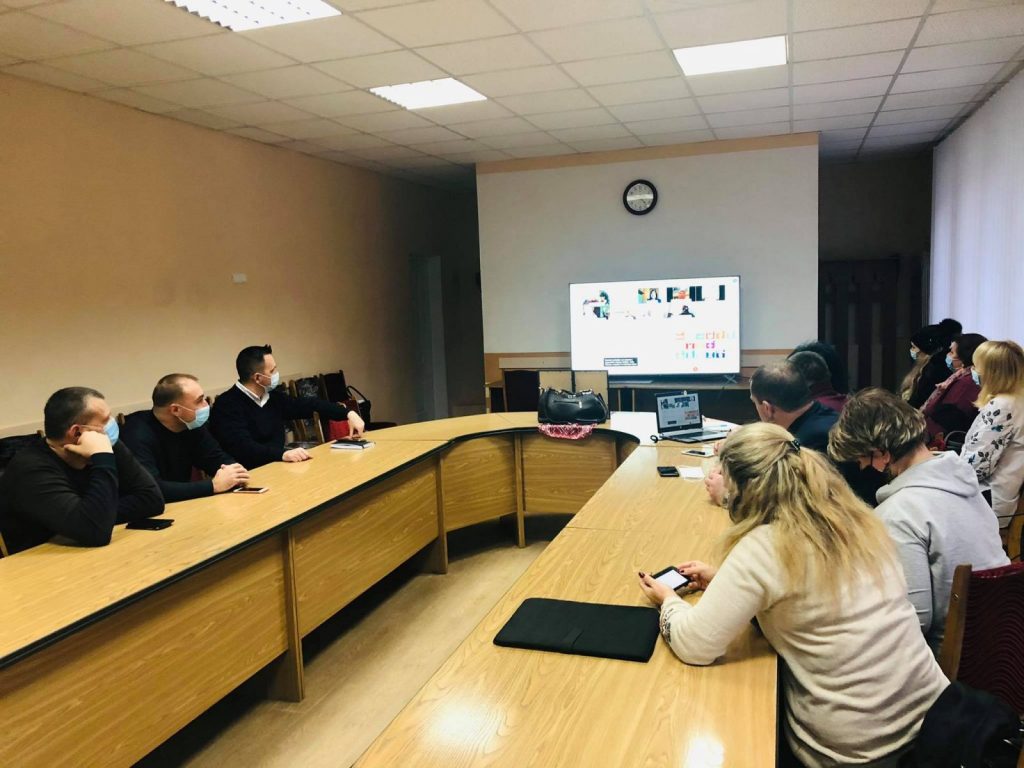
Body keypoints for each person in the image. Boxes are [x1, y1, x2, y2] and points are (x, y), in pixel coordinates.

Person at [638, 423, 947, 768]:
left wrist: (669, 600)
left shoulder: (766, 545)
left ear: (741, 488)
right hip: (936, 723)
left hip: (855, 751)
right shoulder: (859, 522)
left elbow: (695, 645)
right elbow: (807, 596)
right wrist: (726, 581)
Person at [828, 388, 1007, 652]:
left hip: (947, 659)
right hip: (1003, 646)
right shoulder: (967, 486)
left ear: (882, 453)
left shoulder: (899, 514)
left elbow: (914, 620)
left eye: (863, 460)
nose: (864, 468)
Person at [0, 387, 164, 554]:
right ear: (77, 432)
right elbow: (95, 532)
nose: (111, 425)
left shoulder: (106, 443)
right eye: (105, 420)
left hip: (87, 551)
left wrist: (97, 516)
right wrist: (102, 457)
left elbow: (152, 499)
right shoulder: (31, 470)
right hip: (38, 562)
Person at [704, 361, 838, 506]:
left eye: (755, 402)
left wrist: (727, 497)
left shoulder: (809, 442)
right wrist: (735, 449)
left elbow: (786, 503)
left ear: (767, 409)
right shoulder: (819, 415)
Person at [211, 345, 365, 469]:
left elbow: (308, 404)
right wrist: (282, 454)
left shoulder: (272, 397)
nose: (276, 374)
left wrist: (348, 413)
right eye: (272, 371)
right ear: (257, 378)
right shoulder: (226, 405)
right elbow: (244, 448)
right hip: (250, 476)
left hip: (279, 467)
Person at [121, 374, 250, 502]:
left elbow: (215, 457)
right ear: (176, 410)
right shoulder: (136, 435)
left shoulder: (190, 424)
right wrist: (212, 486)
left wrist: (234, 473)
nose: (206, 404)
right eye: (199, 400)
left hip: (183, 502)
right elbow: (153, 488)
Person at [961, 340, 1024, 528]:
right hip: (999, 495)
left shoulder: (1002, 406)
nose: (972, 370)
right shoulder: (1017, 399)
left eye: (976, 366)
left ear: (992, 372)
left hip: (987, 500)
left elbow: (976, 467)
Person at [921, 333, 986, 444]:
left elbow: (948, 418)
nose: (948, 355)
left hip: (940, 440)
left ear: (964, 356)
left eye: (952, 352)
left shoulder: (967, 383)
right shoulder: (961, 376)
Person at [902, 318, 962, 408]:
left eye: (914, 347)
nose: (911, 350)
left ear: (926, 349)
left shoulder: (933, 371)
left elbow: (918, 401)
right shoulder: (927, 369)